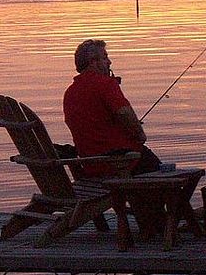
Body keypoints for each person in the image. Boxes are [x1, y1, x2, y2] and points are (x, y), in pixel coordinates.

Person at [63, 38, 161, 177]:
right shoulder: (105, 84)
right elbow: (124, 113)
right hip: (121, 162)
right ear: (93, 62)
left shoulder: (70, 92)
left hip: (92, 166)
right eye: (105, 58)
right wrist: (140, 134)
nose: (109, 62)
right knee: (174, 176)